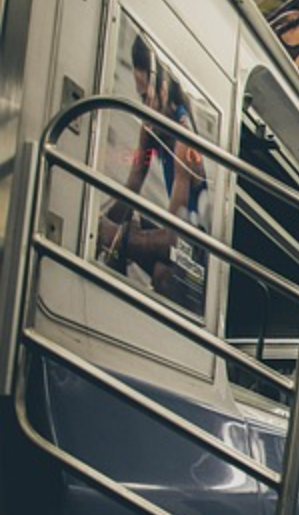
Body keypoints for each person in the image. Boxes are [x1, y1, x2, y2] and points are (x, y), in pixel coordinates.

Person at [97, 34, 210, 313]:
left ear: (162, 87)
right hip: (179, 241)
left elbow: (174, 239)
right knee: (124, 217)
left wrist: (116, 236)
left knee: (162, 272)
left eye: (144, 95)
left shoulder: (185, 140)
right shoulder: (152, 126)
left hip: (196, 258)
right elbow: (133, 184)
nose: (143, 106)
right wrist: (93, 221)